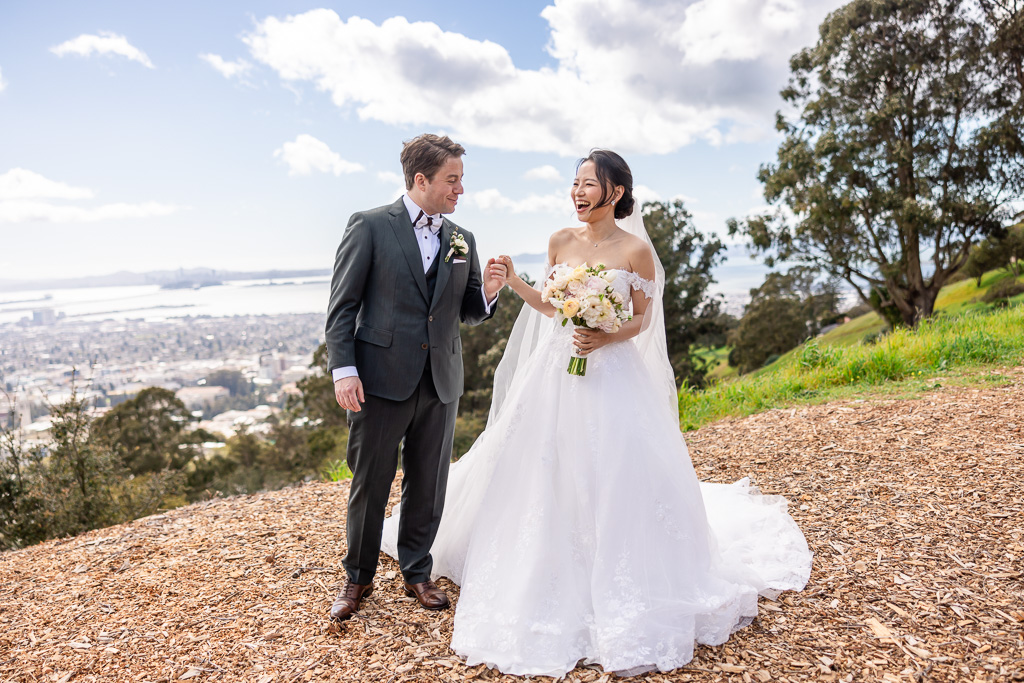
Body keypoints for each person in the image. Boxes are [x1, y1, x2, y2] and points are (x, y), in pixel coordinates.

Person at [381, 149, 812, 677]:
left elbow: (640, 321)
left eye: (588, 184)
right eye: (575, 182)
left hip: (611, 371)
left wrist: (607, 335)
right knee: (545, 464)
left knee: (614, 468)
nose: (577, 192)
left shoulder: (635, 251)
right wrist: (515, 281)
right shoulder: (561, 241)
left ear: (615, 192)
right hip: (558, 370)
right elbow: (550, 305)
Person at [325, 134, 507, 622]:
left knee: (429, 484)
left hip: (440, 380)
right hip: (380, 380)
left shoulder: (462, 238)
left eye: (461, 180)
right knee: (371, 481)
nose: (460, 190)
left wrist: (487, 292)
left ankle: (417, 572)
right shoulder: (368, 226)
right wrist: (344, 371)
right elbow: (342, 307)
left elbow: (467, 311)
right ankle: (357, 579)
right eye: (452, 180)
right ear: (420, 179)